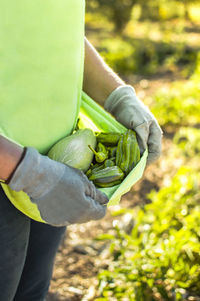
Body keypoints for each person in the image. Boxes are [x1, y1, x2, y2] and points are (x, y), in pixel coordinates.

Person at [0, 1, 162, 300]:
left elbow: (48, 25)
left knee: (31, 291)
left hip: (56, 158)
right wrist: (24, 169)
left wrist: (117, 95)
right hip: (14, 169)